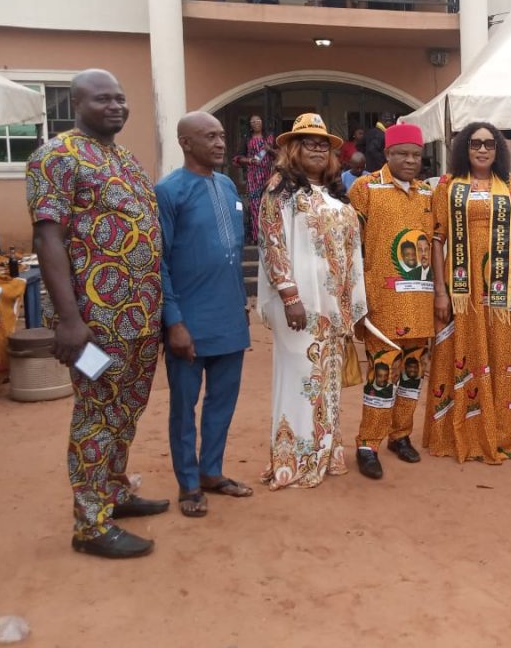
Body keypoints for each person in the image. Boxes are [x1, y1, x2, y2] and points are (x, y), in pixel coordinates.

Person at [26, 69, 168, 559]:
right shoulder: (56, 156)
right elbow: (47, 238)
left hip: (140, 319)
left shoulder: (123, 158)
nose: (116, 106)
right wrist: (68, 320)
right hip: (94, 324)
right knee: (96, 413)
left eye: (121, 98)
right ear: (76, 104)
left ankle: (114, 493)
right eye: (102, 98)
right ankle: (89, 526)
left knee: (127, 410)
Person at [257, 113, 367, 490]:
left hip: (334, 306)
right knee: (302, 379)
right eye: (309, 142)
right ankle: (293, 461)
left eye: (324, 144)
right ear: (292, 149)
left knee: (328, 381)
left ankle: (325, 453)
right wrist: (289, 295)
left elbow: (352, 250)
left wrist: (354, 304)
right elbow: (272, 243)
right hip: (300, 307)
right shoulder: (281, 189)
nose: (318, 149)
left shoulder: (336, 193)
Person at [156, 112, 253, 519]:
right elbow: (157, 261)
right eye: (209, 136)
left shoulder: (229, 185)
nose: (220, 143)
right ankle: (189, 483)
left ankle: (212, 471)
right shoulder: (168, 191)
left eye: (221, 135)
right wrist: (173, 321)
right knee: (185, 406)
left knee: (222, 403)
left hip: (230, 317)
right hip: (188, 322)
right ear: (185, 143)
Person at [425, 122, 511, 463]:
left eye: (489, 144)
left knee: (503, 350)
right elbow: (437, 240)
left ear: (498, 149)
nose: (483, 149)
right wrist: (441, 291)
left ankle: (502, 430)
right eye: (475, 143)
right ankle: (463, 431)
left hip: (502, 288)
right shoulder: (447, 187)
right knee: (464, 349)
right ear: (464, 148)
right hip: (462, 289)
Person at [349, 123, 434, 479]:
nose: (410, 161)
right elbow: (352, 248)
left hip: (421, 303)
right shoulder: (365, 189)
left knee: (413, 374)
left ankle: (401, 435)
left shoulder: (428, 195)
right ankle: (368, 444)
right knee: (382, 374)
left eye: (416, 155)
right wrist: (355, 301)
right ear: (387, 154)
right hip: (380, 302)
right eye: (402, 154)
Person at [232, 114, 276, 244]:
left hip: (268, 175)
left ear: (262, 123)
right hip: (253, 177)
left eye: (258, 120)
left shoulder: (270, 138)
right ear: (250, 125)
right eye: (253, 121)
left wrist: (270, 150)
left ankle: (271, 235)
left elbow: (281, 155)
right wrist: (249, 160)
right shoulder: (247, 139)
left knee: (270, 203)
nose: (256, 123)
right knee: (255, 205)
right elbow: (237, 158)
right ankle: (257, 236)